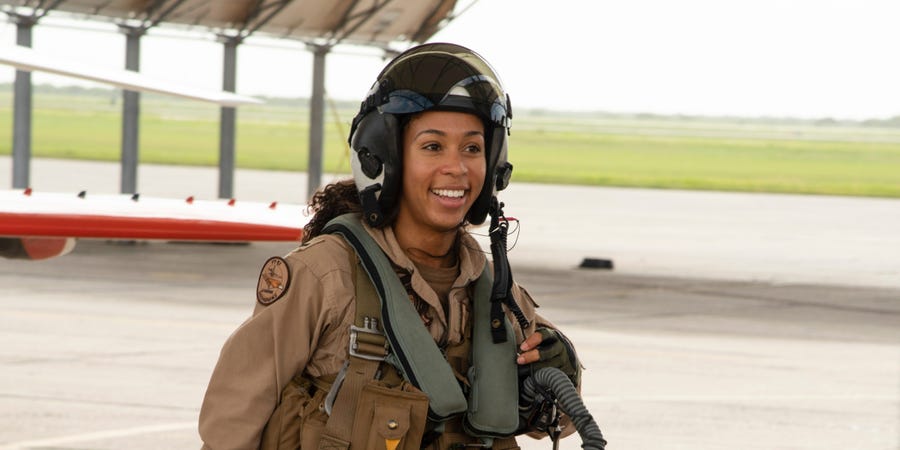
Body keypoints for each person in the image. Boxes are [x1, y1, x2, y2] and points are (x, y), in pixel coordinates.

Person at [199, 42, 583, 450]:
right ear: (386, 157)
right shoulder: (325, 277)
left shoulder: (496, 295)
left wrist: (561, 367)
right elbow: (231, 425)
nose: (456, 167)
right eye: (433, 146)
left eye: (472, 148)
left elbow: (557, 421)